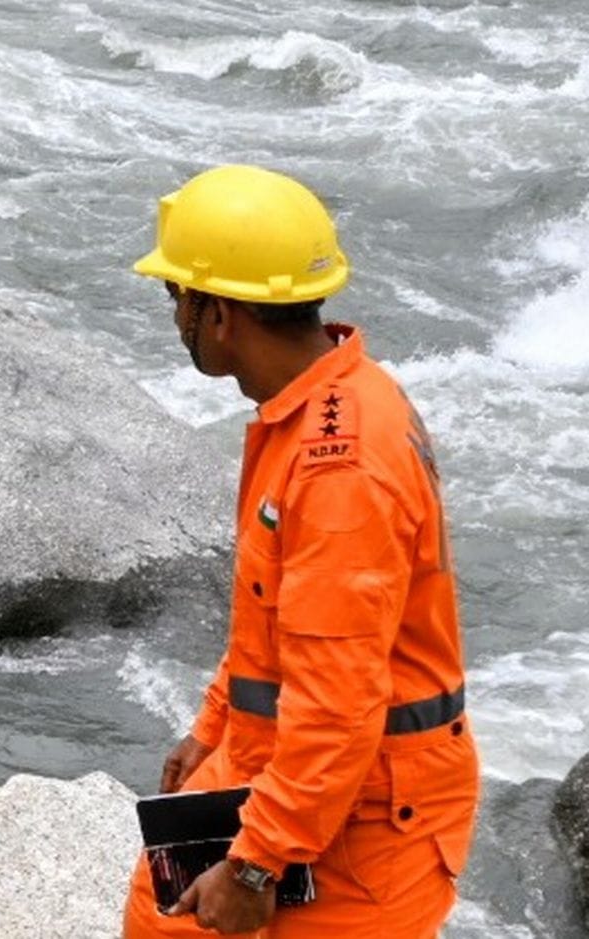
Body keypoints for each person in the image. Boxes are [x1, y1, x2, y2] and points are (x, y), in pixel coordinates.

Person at [120, 164, 478, 938]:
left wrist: (256, 866)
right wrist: (212, 726)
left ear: (218, 314)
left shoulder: (337, 467)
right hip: (292, 765)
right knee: (158, 919)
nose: (175, 313)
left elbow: (341, 705)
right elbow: (273, 623)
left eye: (177, 295)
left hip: (372, 813)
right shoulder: (317, 404)